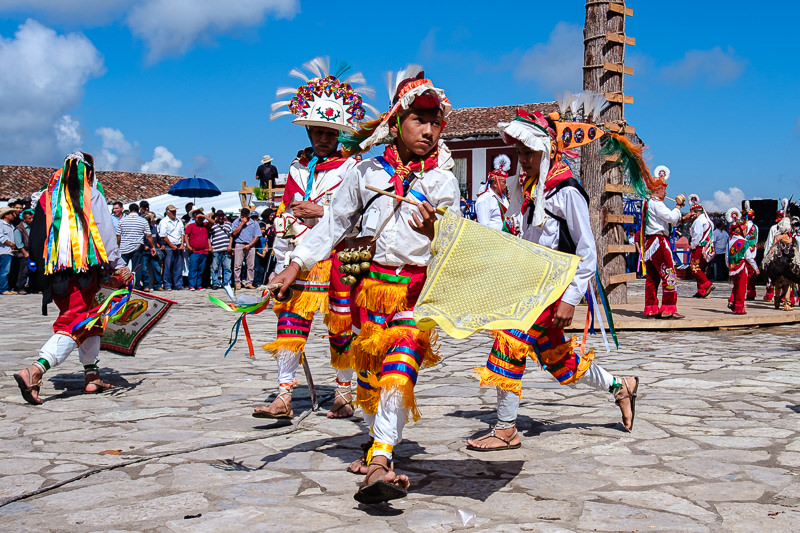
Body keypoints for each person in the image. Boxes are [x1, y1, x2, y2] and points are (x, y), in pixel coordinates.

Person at [269, 66, 459, 503]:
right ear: (397, 122)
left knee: (399, 372)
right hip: (369, 288)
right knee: (370, 374)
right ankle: (377, 443)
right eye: (419, 120)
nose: (428, 130)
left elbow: (454, 243)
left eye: (435, 122)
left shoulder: (443, 180)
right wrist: (295, 265)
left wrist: (436, 233)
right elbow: (334, 222)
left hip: (416, 292)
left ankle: (380, 460)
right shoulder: (366, 171)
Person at [465, 106, 639, 453]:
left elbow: (587, 252)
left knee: (509, 341)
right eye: (519, 153)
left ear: (547, 152)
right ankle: (621, 385)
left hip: (552, 291)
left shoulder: (566, 192)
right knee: (558, 358)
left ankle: (506, 429)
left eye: (528, 152)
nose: (522, 160)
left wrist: (570, 298)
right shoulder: (533, 189)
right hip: (532, 286)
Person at [254, 57, 370, 421]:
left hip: (338, 257)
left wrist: (323, 214)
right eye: (317, 131)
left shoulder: (354, 167)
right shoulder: (296, 168)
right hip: (299, 258)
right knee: (289, 321)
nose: (322, 138)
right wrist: (281, 258)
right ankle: (285, 394)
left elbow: (362, 217)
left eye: (329, 132)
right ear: (308, 132)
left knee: (342, 325)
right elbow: (287, 213)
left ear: (338, 134)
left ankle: (343, 393)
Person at [13, 152, 132, 404]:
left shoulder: (47, 197)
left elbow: (36, 237)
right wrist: (118, 267)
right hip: (83, 272)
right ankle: (35, 370)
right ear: (88, 172)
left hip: (55, 273)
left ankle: (92, 376)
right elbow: (105, 234)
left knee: (89, 320)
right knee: (76, 323)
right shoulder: (90, 194)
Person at [640, 166, 692, 319]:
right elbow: (670, 217)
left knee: (652, 277)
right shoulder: (656, 203)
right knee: (670, 274)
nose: (665, 192)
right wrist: (677, 207)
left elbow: (668, 220)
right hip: (659, 242)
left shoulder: (648, 203)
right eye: (663, 189)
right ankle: (669, 307)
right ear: (658, 190)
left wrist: (681, 219)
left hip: (650, 242)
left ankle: (651, 307)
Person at [116, 203, 155, 290]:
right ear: (138, 210)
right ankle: (135, 287)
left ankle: (122, 286)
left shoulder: (122, 221)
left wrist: (118, 246)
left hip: (124, 248)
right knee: (136, 268)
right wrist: (153, 247)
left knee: (122, 268)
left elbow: (118, 235)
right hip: (137, 248)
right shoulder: (143, 221)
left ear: (129, 211)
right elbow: (148, 235)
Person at [726, 207, 758, 314]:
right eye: (744, 230)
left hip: (732, 266)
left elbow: (727, 256)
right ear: (739, 230)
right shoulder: (744, 242)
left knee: (735, 286)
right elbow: (749, 257)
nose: (746, 232)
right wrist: (755, 267)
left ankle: (732, 301)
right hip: (741, 266)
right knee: (741, 287)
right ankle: (739, 308)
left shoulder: (730, 242)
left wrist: (729, 265)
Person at [474, 154, 512, 232]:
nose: (506, 185)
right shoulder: (484, 199)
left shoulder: (504, 198)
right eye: (504, 182)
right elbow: (483, 227)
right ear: (495, 184)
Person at [687, 194, 715, 298]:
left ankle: (707, 284)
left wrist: (692, 246)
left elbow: (697, 236)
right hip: (707, 248)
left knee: (694, 268)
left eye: (692, 213)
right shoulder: (709, 221)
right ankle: (702, 290)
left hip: (699, 247)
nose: (691, 215)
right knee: (701, 269)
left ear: (697, 212)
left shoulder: (699, 221)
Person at [763, 199, 787, 301]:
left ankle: (779, 296)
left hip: (781, 255)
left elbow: (769, 243)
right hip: (779, 255)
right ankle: (775, 296)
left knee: (780, 277)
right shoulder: (775, 228)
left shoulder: (777, 228)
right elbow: (769, 242)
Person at [231, 207, 260, 289]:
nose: (242, 216)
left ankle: (249, 282)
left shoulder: (254, 223)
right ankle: (237, 283)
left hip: (250, 245)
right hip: (239, 244)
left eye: (244, 215)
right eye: (241, 215)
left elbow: (257, 236)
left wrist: (250, 245)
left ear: (248, 215)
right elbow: (234, 233)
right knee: (237, 265)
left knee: (251, 265)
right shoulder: (236, 222)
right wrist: (241, 224)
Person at [158, 204, 185, 290]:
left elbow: (182, 233)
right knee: (168, 266)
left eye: (175, 211)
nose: (174, 213)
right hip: (169, 245)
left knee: (178, 267)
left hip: (177, 244)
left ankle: (178, 284)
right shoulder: (164, 221)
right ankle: (167, 284)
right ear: (168, 212)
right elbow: (163, 235)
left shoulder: (178, 221)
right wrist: (171, 245)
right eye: (172, 212)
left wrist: (182, 244)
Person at [184, 209, 212, 290]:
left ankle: (199, 285)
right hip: (194, 251)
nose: (199, 219)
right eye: (197, 218)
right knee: (193, 268)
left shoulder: (205, 225)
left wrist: (204, 216)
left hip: (204, 251)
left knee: (201, 269)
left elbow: (213, 222)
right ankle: (192, 285)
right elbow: (186, 235)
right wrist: (188, 245)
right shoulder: (191, 226)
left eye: (200, 218)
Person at [13, 208, 34, 293]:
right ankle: (20, 287)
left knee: (32, 270)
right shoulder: (19, 229)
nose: (31, 220)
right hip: (23, 253)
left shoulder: (32, 227)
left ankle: (32, 287)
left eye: (32, 218)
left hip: (31, 252)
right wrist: (24, 253)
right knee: (23, 271)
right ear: (24, 219)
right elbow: (19, 243)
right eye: (29, 218)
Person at [210, 210, 233, 289]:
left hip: (226, 248)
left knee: (227, 267)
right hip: (216, 249)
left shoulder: (227, 225)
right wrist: (210, 246)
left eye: (222, 216)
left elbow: (231, 236)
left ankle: (226, 283)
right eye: (219, 216)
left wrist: (230, 245)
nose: (220, 217)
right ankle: (215, 283)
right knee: (215, 267)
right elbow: (208, 237)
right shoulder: (213, 225)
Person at [743, 200, 759, 300]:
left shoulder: (745, 226)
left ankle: (748, 292)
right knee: (750, 274)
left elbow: (746, 238)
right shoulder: (755, 227)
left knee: (745, 273)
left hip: (745, 251)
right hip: (753, 252)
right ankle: (751, 292)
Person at [0, 206, 16, 295]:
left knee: (10, 271)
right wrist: (9, 243)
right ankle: (3, 288)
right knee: (4, 271)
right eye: (11, 213)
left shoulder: (11, 226)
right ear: (6, 215)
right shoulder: (1, 224)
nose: (13, 215)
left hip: (11, 251)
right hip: (4, 250)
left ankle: (9, 287)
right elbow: (0, 236)